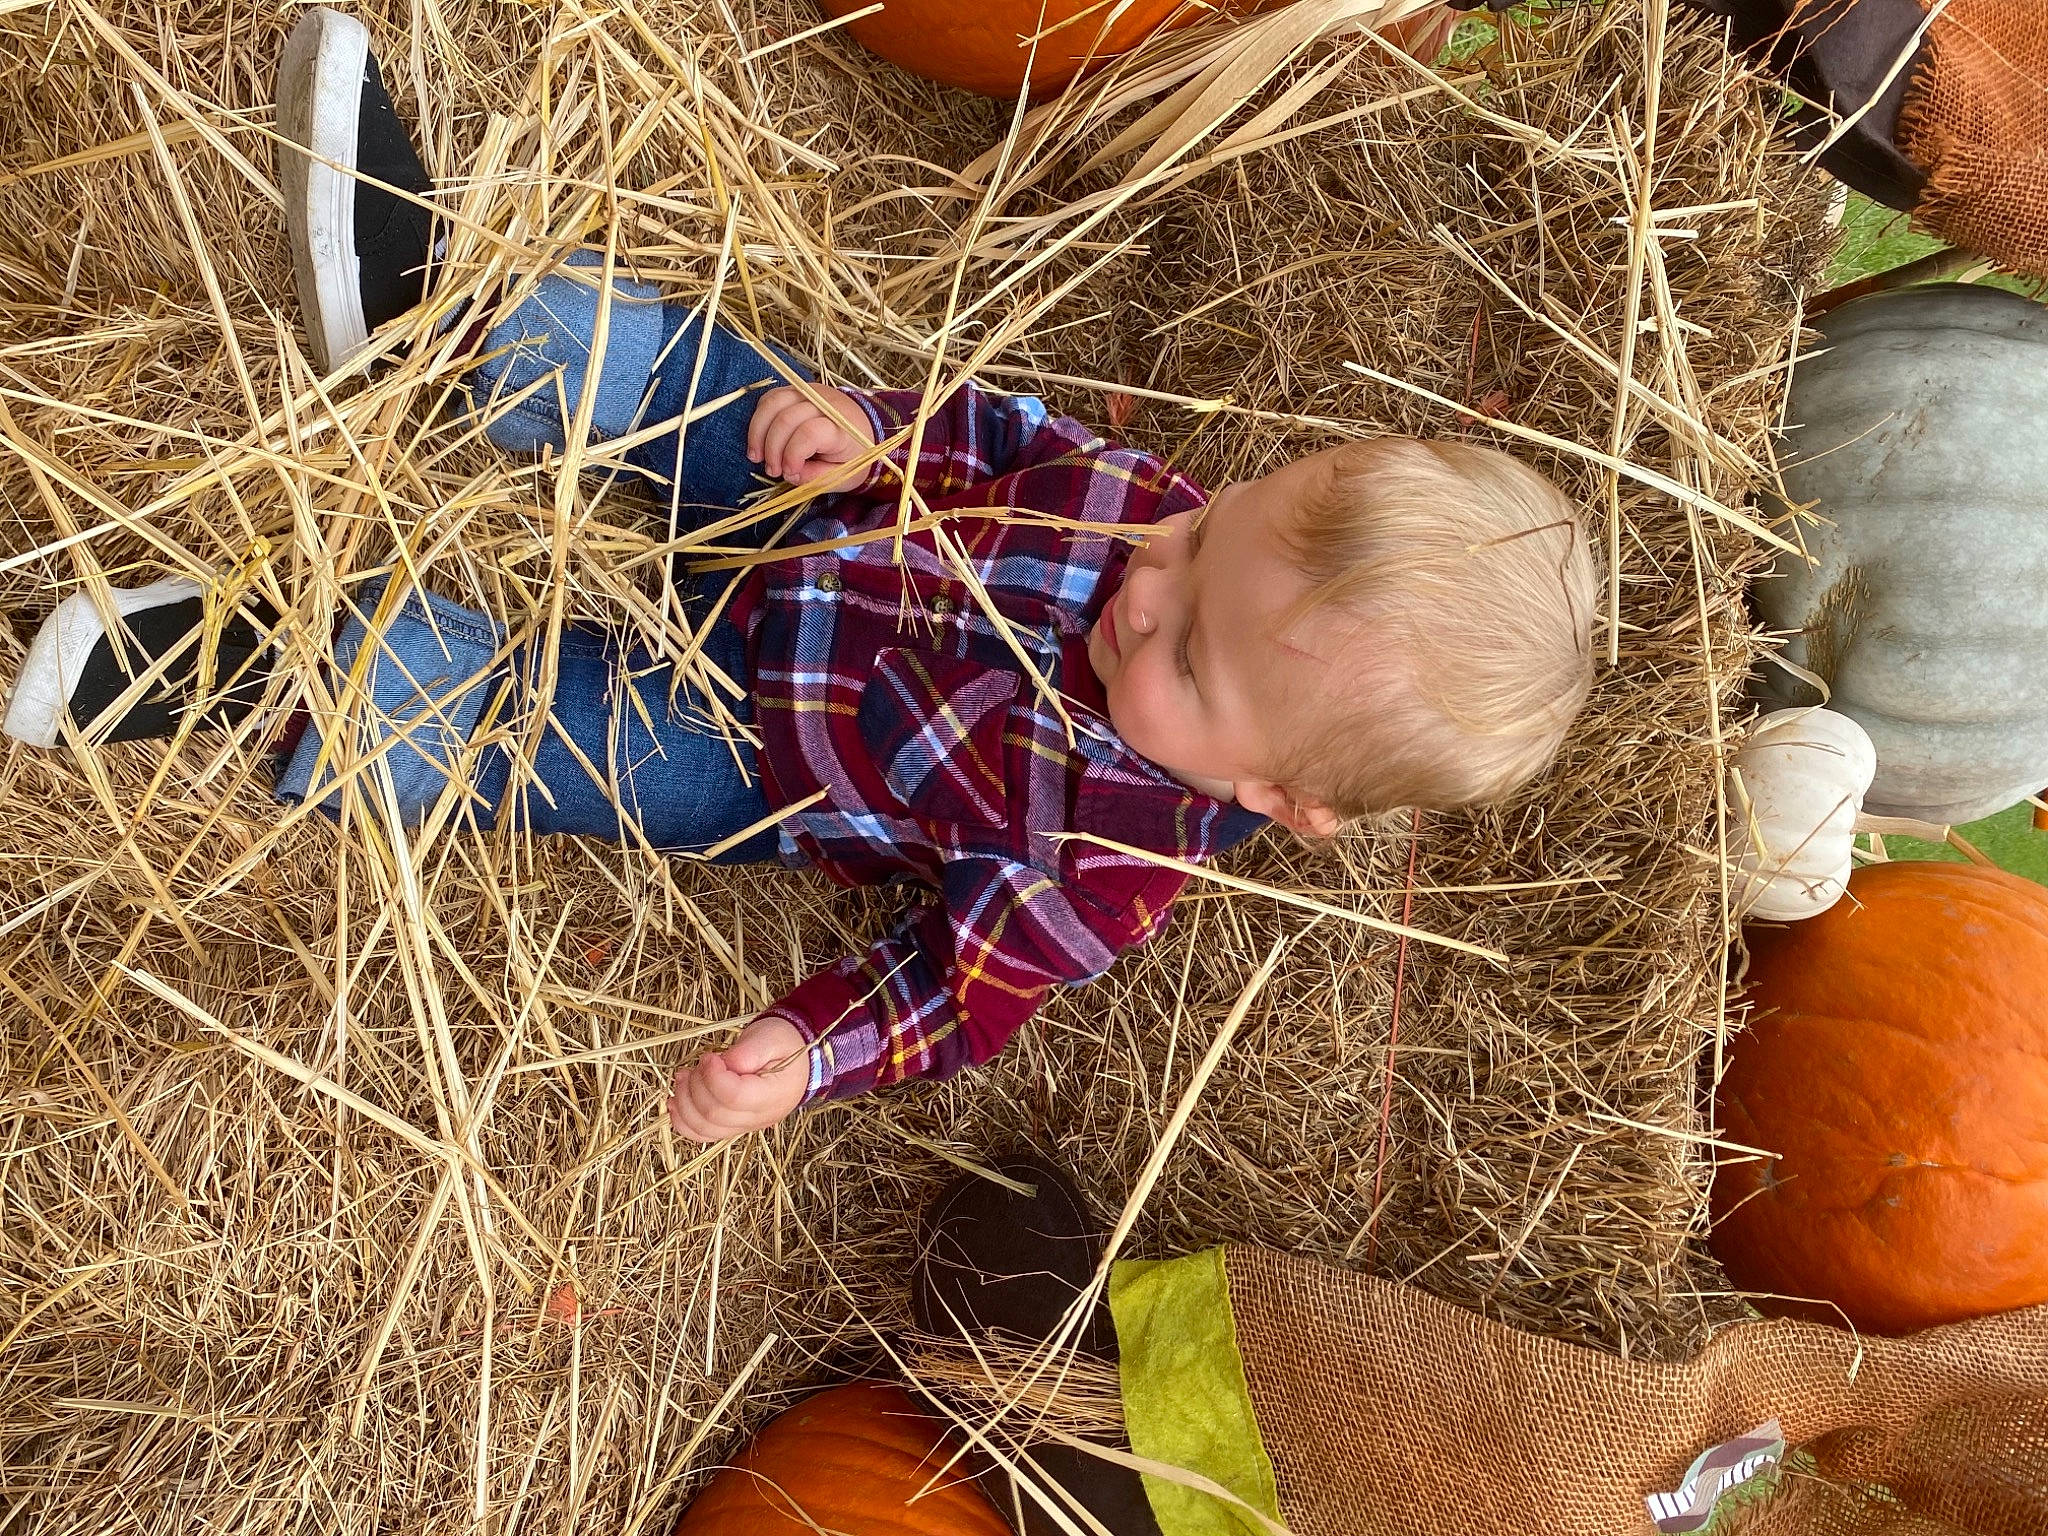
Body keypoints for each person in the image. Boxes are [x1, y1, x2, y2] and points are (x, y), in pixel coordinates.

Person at [1, 9, 1599, 1144]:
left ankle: (236, 674)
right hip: (819, 524)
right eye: (1191, 539)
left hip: (762, 745)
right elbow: (997, 435)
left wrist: (806, 1050)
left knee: (533, 738)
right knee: (698, 383)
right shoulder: (1158, 515)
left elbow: (944, 995)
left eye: (1182, 660)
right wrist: (866, 429)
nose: (1146, 582)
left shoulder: (1102, 874)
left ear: (1276, 797)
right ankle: (434, 311)